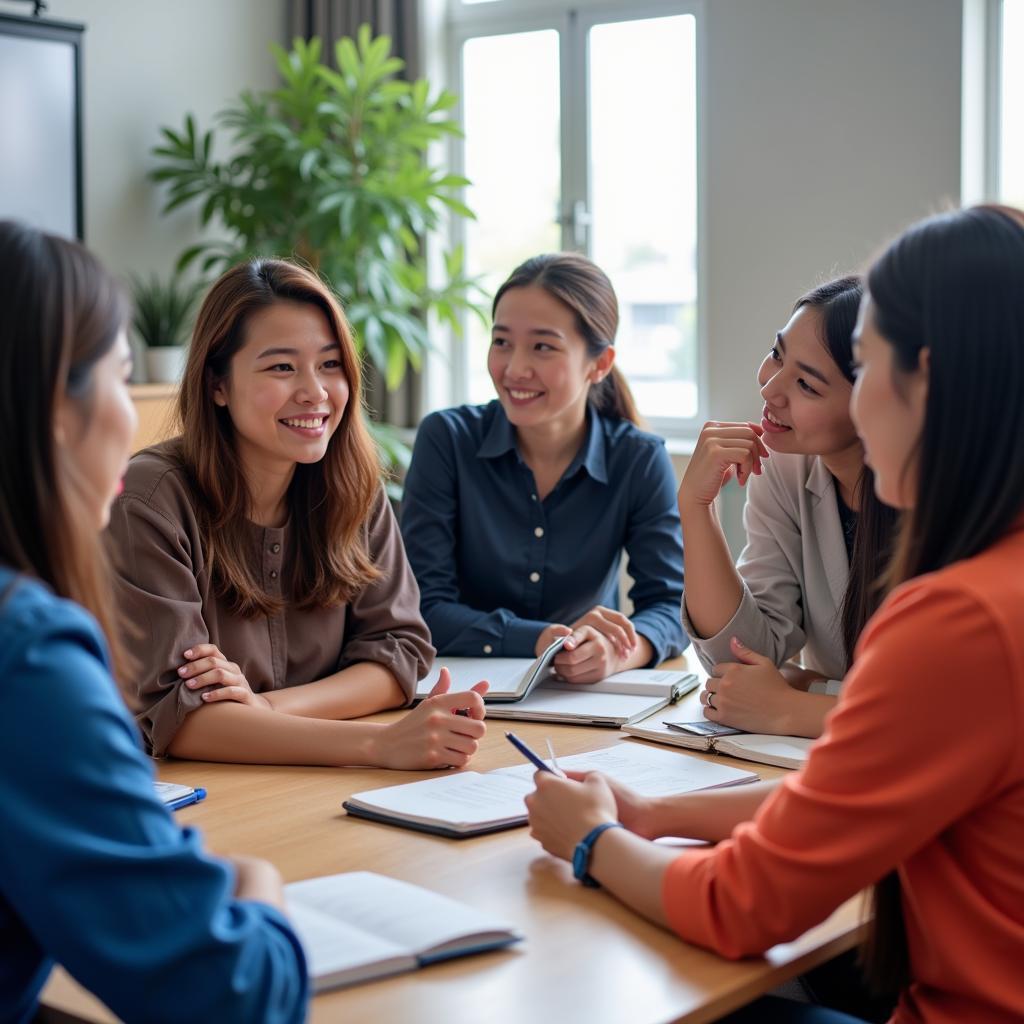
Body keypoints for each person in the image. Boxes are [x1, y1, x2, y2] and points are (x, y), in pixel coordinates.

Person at [524, 205, 1024, 1023]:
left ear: (925, 379)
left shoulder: (961, 619)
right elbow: (859, 788)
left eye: (862, 369)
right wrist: (652, 813)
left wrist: (594, 842)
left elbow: (741, 905)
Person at [0, 220, 308, 1023]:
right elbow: (234, 996)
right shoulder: (26, 655)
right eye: (122, 375)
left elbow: (403, 646)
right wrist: (258, 888)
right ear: (51, 411)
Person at [106, 259, 487, 768]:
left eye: (330, 364)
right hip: (196, 798)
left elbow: (397, 651)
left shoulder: (352, 484)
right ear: (217, 384)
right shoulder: (149, 500)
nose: (315, 392)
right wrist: (381, 745)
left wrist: (262, 709)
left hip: (313, 786)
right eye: (282, 367)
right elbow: (183, 722)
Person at [400, 253, 686, 683]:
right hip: (458, 693)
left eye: (542, 346)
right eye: (501, 342)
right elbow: (424, 606)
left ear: (600, 363)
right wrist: (543, 639)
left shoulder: (638, 458)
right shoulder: (447, 439)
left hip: (585, 699)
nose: (514, 369)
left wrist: (617, 652)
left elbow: (671, 606)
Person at [679, 276, 898, 737]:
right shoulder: (785, 465)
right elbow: (738, 662)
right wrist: (696, 510)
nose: (770, 391)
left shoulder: (940, 498)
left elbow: (945, 710)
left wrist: (799, 702)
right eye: (778, 354)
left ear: (872, 403)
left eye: (806, 385)